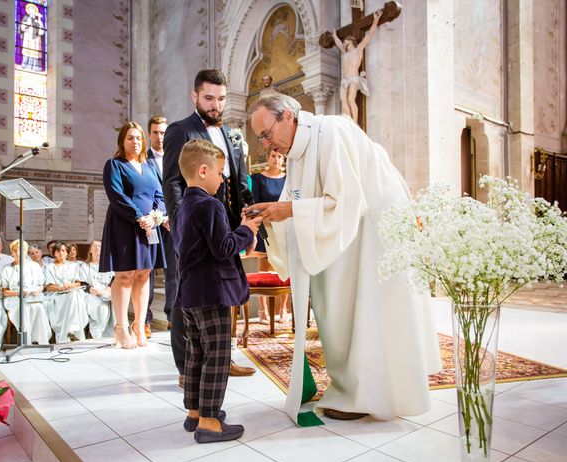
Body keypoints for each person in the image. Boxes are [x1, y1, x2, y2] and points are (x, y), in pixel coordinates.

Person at [248, 92, 441, 424]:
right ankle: (352, 386)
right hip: (345, 237)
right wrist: (270, 217)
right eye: (260, 138)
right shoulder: (296, 152)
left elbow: (348, 201)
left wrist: (288, 211)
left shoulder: (331, 132)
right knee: (336, 306)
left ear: (288, 118)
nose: (266, 145)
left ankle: (369, 393)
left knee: (369, 311)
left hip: (373, 234)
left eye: (266, 134)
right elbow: (294, 199)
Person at [163, 68, 255, 382]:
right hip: (192, 224)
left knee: (223, 289)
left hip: (226, 222)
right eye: (209, 98)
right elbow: (173, 182)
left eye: (220, 99)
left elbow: (241, 183)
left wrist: (250, 224)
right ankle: (185, 369)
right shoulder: (180, 130)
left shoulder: (231, 134)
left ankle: (221, 360)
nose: (215, 105)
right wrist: (179, 225)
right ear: (195, 96)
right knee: (183, 294)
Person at [172, 139, 261, 443]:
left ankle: (195, 411)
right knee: (218, 356)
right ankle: (210, 421)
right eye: (221, 172)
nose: (223, 179)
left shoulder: (183, 205)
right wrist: (246, 230)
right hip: (213, 293)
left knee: (196, 354)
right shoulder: (210, 204)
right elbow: (222, 248)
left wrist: (238, 231)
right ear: (203, 170)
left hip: (190, 294)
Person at [99, 121, 167, 349]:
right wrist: (140, 216)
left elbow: (160, 195)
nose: (135, 142)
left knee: (144, 274)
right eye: (130, 138)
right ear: (122, 141)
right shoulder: (114, 165)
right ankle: (120, 327)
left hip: (149, 226)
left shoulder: (149, 165)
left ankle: (139, 324)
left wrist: (156, 216)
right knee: (125, 275)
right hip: (125, 225)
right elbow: (117, 196)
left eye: (138, 138)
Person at [250, 150, 289, 323]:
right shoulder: (259, 178)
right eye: (273, 156)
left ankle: (283, 309)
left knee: (284, 267)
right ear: (267, 158)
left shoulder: (289, 178)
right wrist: (264, 221)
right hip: (265, 226)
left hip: (284, 227)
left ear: (283, 159)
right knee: (264, 267)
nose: (276, 159)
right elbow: (255, 203)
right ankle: (263, 310)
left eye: (279, 156)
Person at [144, 115, 170, 339]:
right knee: (148, 271)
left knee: (174, 270)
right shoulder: (143, 159)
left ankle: (173, 316)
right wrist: (156, 215)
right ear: (149, 134)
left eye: (163, 132)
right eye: (156, 132)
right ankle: (146, 320)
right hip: (152, 221)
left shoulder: (175, 157)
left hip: (172, 223)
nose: (160, 137)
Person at [331, 9, 382, 123]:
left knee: (350, 100)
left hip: (353, 79)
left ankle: (354, 122)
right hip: (344, 80)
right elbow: (339, 44)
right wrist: (334, 36)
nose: (344, 44)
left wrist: (376, 20)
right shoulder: (345, 54)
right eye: (343, 42)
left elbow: (369, 35)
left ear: (351, 41)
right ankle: (349, 121)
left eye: (346, 42)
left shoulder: (358, 50)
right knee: (343, 100)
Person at [1, 239, 51, 345]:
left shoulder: (34, 266)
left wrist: (36, 291)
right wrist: (19, 293)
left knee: (38, 307)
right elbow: (5, 292)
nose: (19, 253)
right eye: (15, 250)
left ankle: (41, 341)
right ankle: (26, 342)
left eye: (22, 250)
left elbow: (41, 286)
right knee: (23, 308)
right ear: (12, 252)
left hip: (32, 298)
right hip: (15, 299)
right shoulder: (7, 269)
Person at [44, 242, 88, 343]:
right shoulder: (49, 267)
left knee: (73, 295)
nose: (61, 253)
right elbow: (49, 286)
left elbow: (78, 283)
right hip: (56, 295)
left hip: (72, 291)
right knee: (71, 297)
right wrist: (61, 288)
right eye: (58, 251)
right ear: (54, 253)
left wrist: (70, 286)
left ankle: (71, 330)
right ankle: (70, 330)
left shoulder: (74, 265)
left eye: (63, 250)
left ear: (67, 253)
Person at [80, 240, 115, 339]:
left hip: (108, 293)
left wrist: (106, 290)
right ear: (90, 250)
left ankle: (113, 335)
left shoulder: (109, 264)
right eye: (94, 246)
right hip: (92, 294)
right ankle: (97, 335)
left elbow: (114, 279)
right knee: (102, 309)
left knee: (117, 305)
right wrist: (92, 290)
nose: (97, 248)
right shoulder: (85, 266)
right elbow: (82, 283)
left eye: (99, 246)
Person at [19, 2, 45, 71]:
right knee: (27, 51)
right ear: (28, 11)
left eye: (33, 10)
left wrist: (39, 20)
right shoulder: (26, 18)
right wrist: (28, 24)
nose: (32, 11)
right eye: (30, 10)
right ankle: (25, 65)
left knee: (35, 52)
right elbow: (22, 27)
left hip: (36, 40)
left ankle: (35, 67)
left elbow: (41, 31)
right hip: (28, 37)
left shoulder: (37, 20)